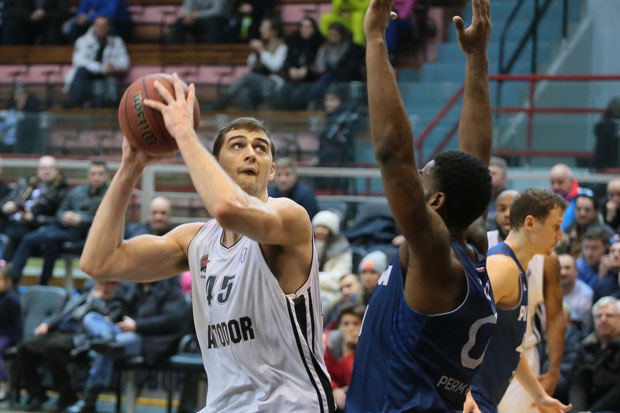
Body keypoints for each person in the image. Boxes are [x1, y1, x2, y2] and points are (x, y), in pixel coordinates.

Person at [80, 92, 334, 410]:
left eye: (261, 148)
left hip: (290, 405)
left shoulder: (290, 217)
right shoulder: (195, 241)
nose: (251, 153)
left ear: (271, 170)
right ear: (216, 165)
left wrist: (183, 132)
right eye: (238, 145)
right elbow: (98, 262)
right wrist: (129, 168)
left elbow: (227, 209)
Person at [346, 0, 498, 410]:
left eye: (423, 177)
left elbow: (392, 154)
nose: (415, 176)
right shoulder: (472, 243)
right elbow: (476, 160)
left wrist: (375, 40)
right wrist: (477, 58)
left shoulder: (433, 256)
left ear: (435, 201)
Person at [486, 189, 566, 413]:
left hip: (506, 371)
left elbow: (509, 344)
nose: (561, 236)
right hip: (478, 383)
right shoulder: (502, 266)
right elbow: (458, 328)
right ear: (530, 223)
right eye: (556, 227)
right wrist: (465, 393)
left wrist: (539, 395)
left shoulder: (517, 266)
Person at [67, 278, 186, 413]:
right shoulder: (136, 286)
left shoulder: (171, 289)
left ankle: (87, 401)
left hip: (149, 338)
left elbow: (172, 320)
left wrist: (137, 325)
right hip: (122, 332)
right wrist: (111, 316)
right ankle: (107, 338)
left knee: (104, 350)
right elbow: (122, 310)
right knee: (91, 318)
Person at [17, 280, 120, 412]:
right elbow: (61, 313)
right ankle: (37, 395)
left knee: (53, 347)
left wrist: (98, 300)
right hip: (59, 330)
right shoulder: (80, 296)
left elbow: (108, 320)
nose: (103, 287)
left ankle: (67, 397)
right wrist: (48, 323)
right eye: (101, 284)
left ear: (116, 286)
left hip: (79, 335)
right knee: (25, 347)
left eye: (108, 285)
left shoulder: (115, 302)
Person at [9, 161, 108, 286]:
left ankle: (44, 282)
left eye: (100, 174)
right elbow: (61, 211)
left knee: (51, 239)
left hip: (86, 232)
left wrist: (81, 219)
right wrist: (65, 217)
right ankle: (13, 282)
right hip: (64, 227)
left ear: (106, 176)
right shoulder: (77, 191)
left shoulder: (110, 194)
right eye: (93, 174)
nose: (96, 177)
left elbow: (108, 219)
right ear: (88, 175)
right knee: (28, 239)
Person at [211, 17, 287, 111]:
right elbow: (250, 64)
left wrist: (261, 49)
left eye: (265, 28)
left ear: (274, 31)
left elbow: (276, 66)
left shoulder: (282, 46)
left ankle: (223, 101)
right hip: (258, 81)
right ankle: (251, 118)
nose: (262, 30)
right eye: (261, 27)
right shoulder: (263, 44)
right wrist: (255, 52)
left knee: (247, 77)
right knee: (244, 92)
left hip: (273, 82)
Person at [0, 155, 68, 260]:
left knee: (14, 235)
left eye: (50, 168)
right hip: (12, 221)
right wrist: (5, 206)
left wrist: (34, 219)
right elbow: (8, 199)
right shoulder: (26, 182)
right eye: (43, 168)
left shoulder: (61, 190)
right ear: (38, 170)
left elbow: (58, 218)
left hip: (36, 227)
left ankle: (5, 266)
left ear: (57, 171)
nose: (46, 171)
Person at [63, 16, 130, 109]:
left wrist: (114, 66)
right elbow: (78, 61)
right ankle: (75, 103)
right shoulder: (82, 41)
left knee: (110, 79)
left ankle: (108, 104)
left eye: (104, 26)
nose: (101, 28)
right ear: (93, 26)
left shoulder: (117, 41)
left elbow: (125, 62)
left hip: (107, 75)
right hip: (86, 76)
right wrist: (101, 68)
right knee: (81, 71)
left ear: (108, 27)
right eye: (98, 26)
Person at [569, 296, 620, 411]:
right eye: (598, 316)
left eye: (609, 316)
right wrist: (578, 410)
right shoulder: (586, 345)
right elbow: (577, 384)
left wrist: (591, 412)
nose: (603, 319)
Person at [323, 303, 364, 411]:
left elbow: (357, 383)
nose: (350, 328)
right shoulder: (333, 344)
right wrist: (335, 389)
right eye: (346, 324)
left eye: (356, 323)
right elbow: (325, 373)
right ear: (340, 327)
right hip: (338, 397)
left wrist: (348, 352)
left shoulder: (368, 346)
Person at [312, 210, 353, 308]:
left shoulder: (341, 248)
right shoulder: (308, 244)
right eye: (317, 226)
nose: (319, 230)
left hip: (331, 293)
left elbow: (339, 278)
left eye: (324, 227)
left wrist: (311, 278)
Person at [555, 194, 614, 259]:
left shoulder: (606, 233)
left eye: (587, 210)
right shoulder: (568, 230)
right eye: (579, 209)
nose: (582, 213)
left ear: (595, 212)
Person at [549, 163, 593, 232]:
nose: (556, 186)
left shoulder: (585, 195)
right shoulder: (548, 200)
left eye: (560, 182)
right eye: (552, 183)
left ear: (571, 181)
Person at [2, 0, 69, 45]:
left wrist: (45, 13)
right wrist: (30, 16)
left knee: (54, 27)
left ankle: (51, 56)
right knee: (14, 24)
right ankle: (17, 54)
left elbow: (63, 12)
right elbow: (19, 9)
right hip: (29, 21)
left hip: (49, 21)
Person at [63, 0, 132, 42]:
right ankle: (74, 51)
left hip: (118, 21)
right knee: (72, 26)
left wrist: (89, 17)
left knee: (104, 24)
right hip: (94, 19)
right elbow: (82, 9)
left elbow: (110, 11)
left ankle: (109, 49)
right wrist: (82, 16)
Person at [0, 263, 21, 401]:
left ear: (8, 281)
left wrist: (18, 342)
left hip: (7, 334)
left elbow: (18, 324)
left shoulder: (12, 299)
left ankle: (3, 382)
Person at [559, 253, 593, 332]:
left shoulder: (586, 294)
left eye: (567, 268)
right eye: (559, 268)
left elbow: (586, 329)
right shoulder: (545, 291)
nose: (563, 272)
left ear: (576, 272)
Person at [486, 156, 508, 231]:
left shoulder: (511, 199)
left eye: (493, 173)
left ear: (504, 178)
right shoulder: (477, 199)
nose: (489, 176)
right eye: (487, 173)